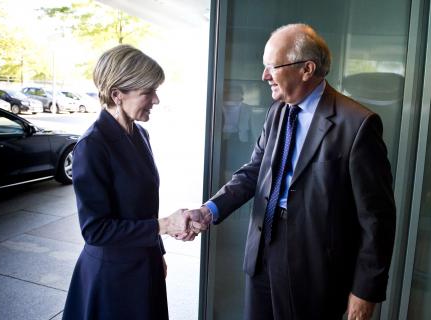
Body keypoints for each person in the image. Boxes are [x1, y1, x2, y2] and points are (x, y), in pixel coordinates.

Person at [184, 24, 396, 320]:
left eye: (272, 66)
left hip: (315, 265)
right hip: (262, 250)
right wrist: (210, 210)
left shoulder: (357, 124)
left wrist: (365, 291)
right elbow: (254, 172)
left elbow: (377, 219)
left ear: (307, 69)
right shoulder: (278, 111)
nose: (264, 76)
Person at [63, 44, 189, 320]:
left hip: (145, 264)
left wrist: (158, 252)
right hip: (113, 278)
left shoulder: (139, 134)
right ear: (116, 94)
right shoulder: (92, 146)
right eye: (148, 92)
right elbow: (95, 230)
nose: (156, 100)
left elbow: (143, 206)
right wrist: (165, 226)